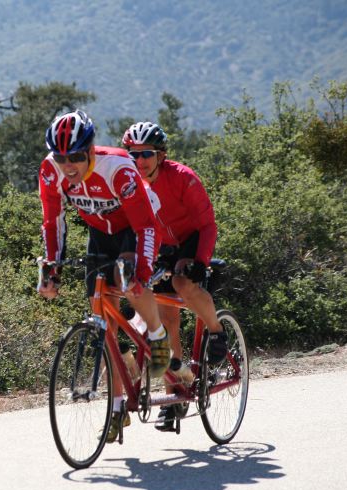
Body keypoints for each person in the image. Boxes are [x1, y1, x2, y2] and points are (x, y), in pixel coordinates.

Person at [38, 110, 169, 442]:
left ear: (91, 150)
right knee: (104, 322)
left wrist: (141, 270)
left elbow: (145, 227)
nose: (69, 165)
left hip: (134, 226)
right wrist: (52, 267)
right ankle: (117, 406)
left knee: (131, 283)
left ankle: (157, 335)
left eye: (77, 156)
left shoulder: (118, 169)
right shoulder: (50, 172)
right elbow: (53, 222)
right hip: (99, 232)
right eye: (61, 156)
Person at [121, 121, 227, 431]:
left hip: (192, 239)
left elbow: (208, 224)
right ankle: (176, 397)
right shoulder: (131, 184)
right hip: (162, 247)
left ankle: (217, 330)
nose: (140, 161)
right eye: (134, 155)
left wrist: (200, 261)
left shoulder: (183, 178)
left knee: (182, 283)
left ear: (161, 155)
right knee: (166, 320)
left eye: (147, 154)